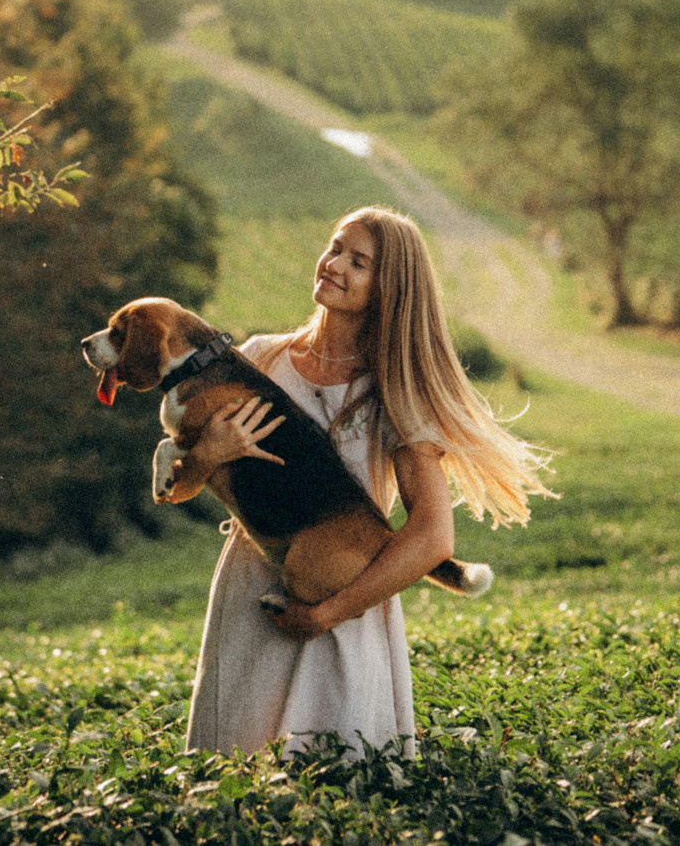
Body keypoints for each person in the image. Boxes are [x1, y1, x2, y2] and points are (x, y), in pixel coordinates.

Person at [158, 206, 553, 756]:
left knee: (337, 784)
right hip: (252, 596)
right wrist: (205, 457)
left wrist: (324, 615)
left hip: (344, 605)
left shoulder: (394, 390)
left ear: (386, 288)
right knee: (230, 783)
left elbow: (433, 538)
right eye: (334, 247)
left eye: (358, 261)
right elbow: (176, 488)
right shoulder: (257, 359)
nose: (334, 264)